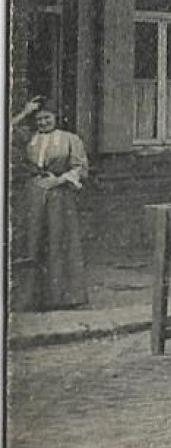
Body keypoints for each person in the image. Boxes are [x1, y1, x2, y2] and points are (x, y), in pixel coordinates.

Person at [10, 97, 90, 311]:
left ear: (56, 118)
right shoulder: (30, 139)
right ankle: (31, 298)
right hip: (34, 194)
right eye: (39, 119)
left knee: (58, 241)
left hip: (59, 195)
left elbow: (80, 168)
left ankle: (64, 297)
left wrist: (59, 179)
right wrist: (25, 111)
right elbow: (6, 131)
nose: (43, 122)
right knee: (32, 241)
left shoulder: (70, 139)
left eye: (47, 118)